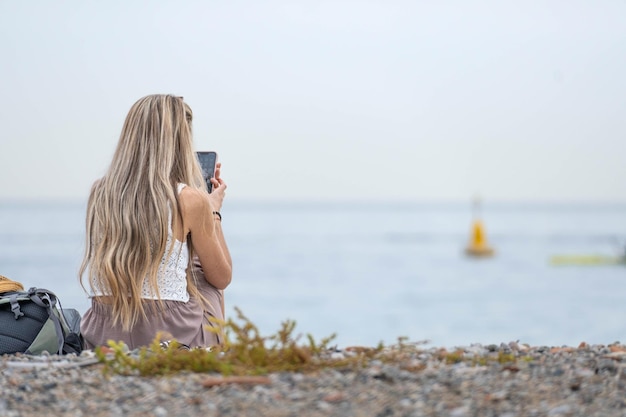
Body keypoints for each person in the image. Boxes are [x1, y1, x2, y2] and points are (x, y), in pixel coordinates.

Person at [79, 94, 232, 350]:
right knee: (201, 270)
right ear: (178, 143)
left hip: (105, 330)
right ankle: (215, 350)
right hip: (166, 334)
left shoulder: (99, 192)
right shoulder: (191, 199)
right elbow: (222, 277)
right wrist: (213, 212)